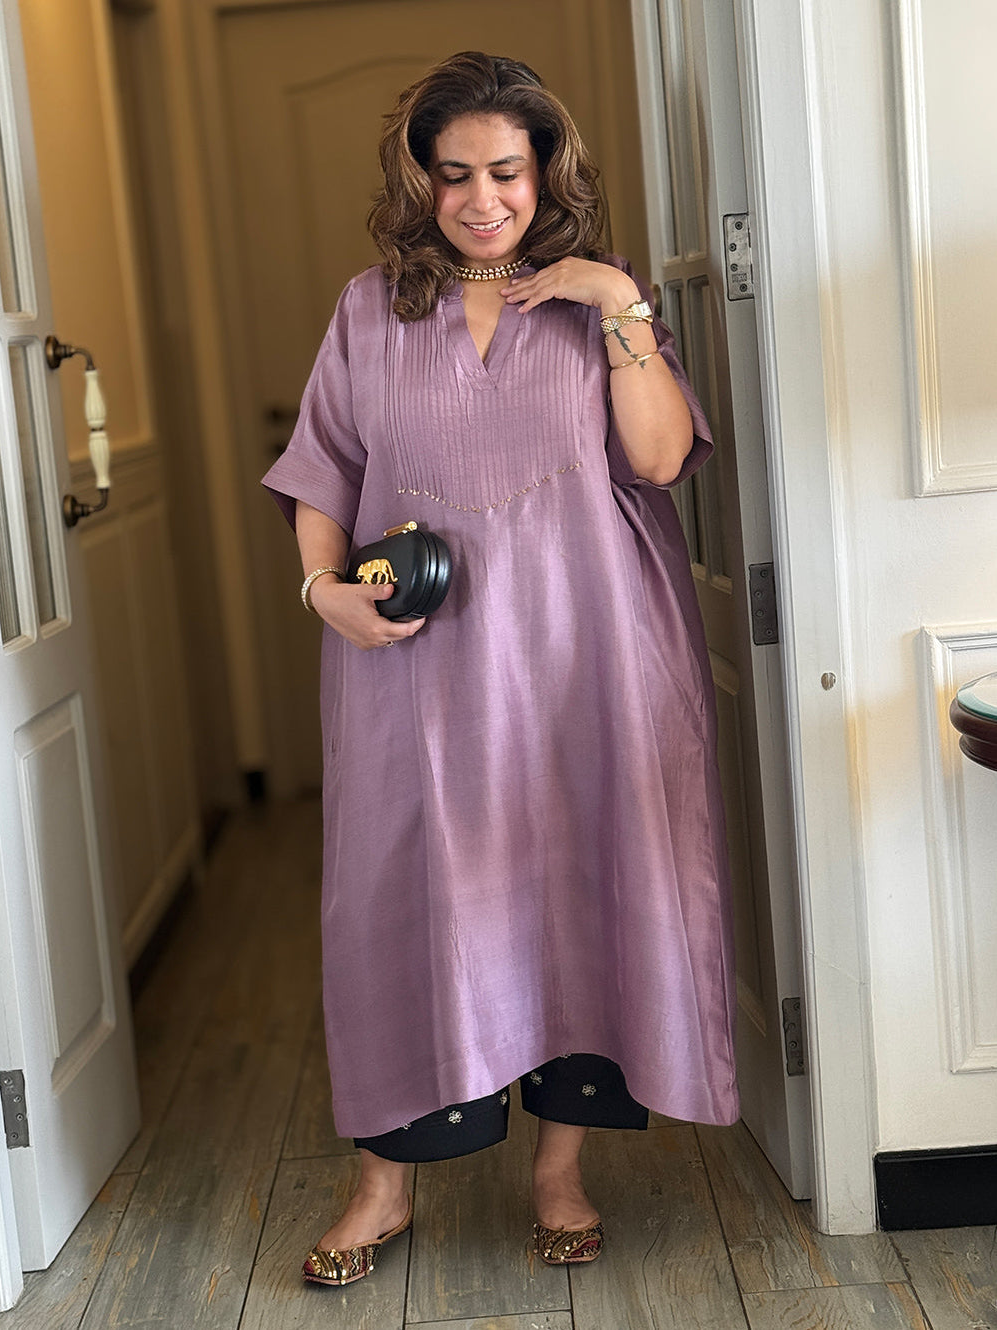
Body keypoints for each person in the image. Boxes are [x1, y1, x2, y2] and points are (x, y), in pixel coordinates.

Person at [262, 50, 739, 1287]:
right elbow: (321, 470)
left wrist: (618, 301)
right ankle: (382, 1187)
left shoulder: (597, 304)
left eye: (507, 173)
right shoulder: (371, 309)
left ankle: (559, 1172)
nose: (482, 199)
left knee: (579, 884)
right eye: (455, 173)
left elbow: (656, 454)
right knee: (396, 901)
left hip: (589, 654)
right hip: (413, 668)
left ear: (546, 175)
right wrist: (322, 593)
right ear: (418, 179)